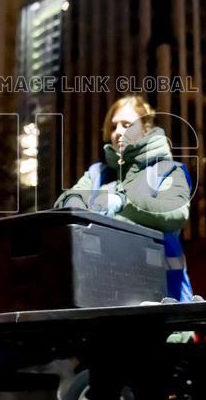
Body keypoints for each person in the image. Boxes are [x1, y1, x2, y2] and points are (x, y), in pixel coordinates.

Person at [55, 95, 193, 301]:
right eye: (113, 126)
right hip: (105, 296)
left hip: (164, 298)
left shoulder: (168, 171)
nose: (118, 132)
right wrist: (79, 206)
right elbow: (67, 202)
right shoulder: (97, 174)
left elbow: (176, 212)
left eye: (127, 125)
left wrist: (122, 202)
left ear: (146, 129)